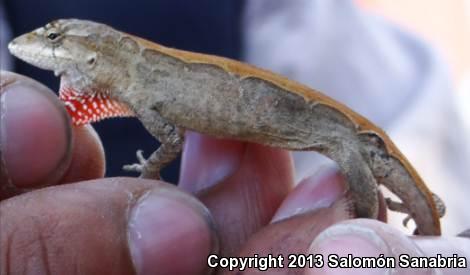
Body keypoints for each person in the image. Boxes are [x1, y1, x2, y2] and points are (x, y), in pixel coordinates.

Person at [1, 0, 469, 274]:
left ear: (94, 52)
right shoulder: (136, 82)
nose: (38, 44)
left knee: (369, 223)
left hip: (342, 133)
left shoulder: (144, 81)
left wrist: (404, 253)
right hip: (313, 149)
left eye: (56, 37)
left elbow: (174, 142)